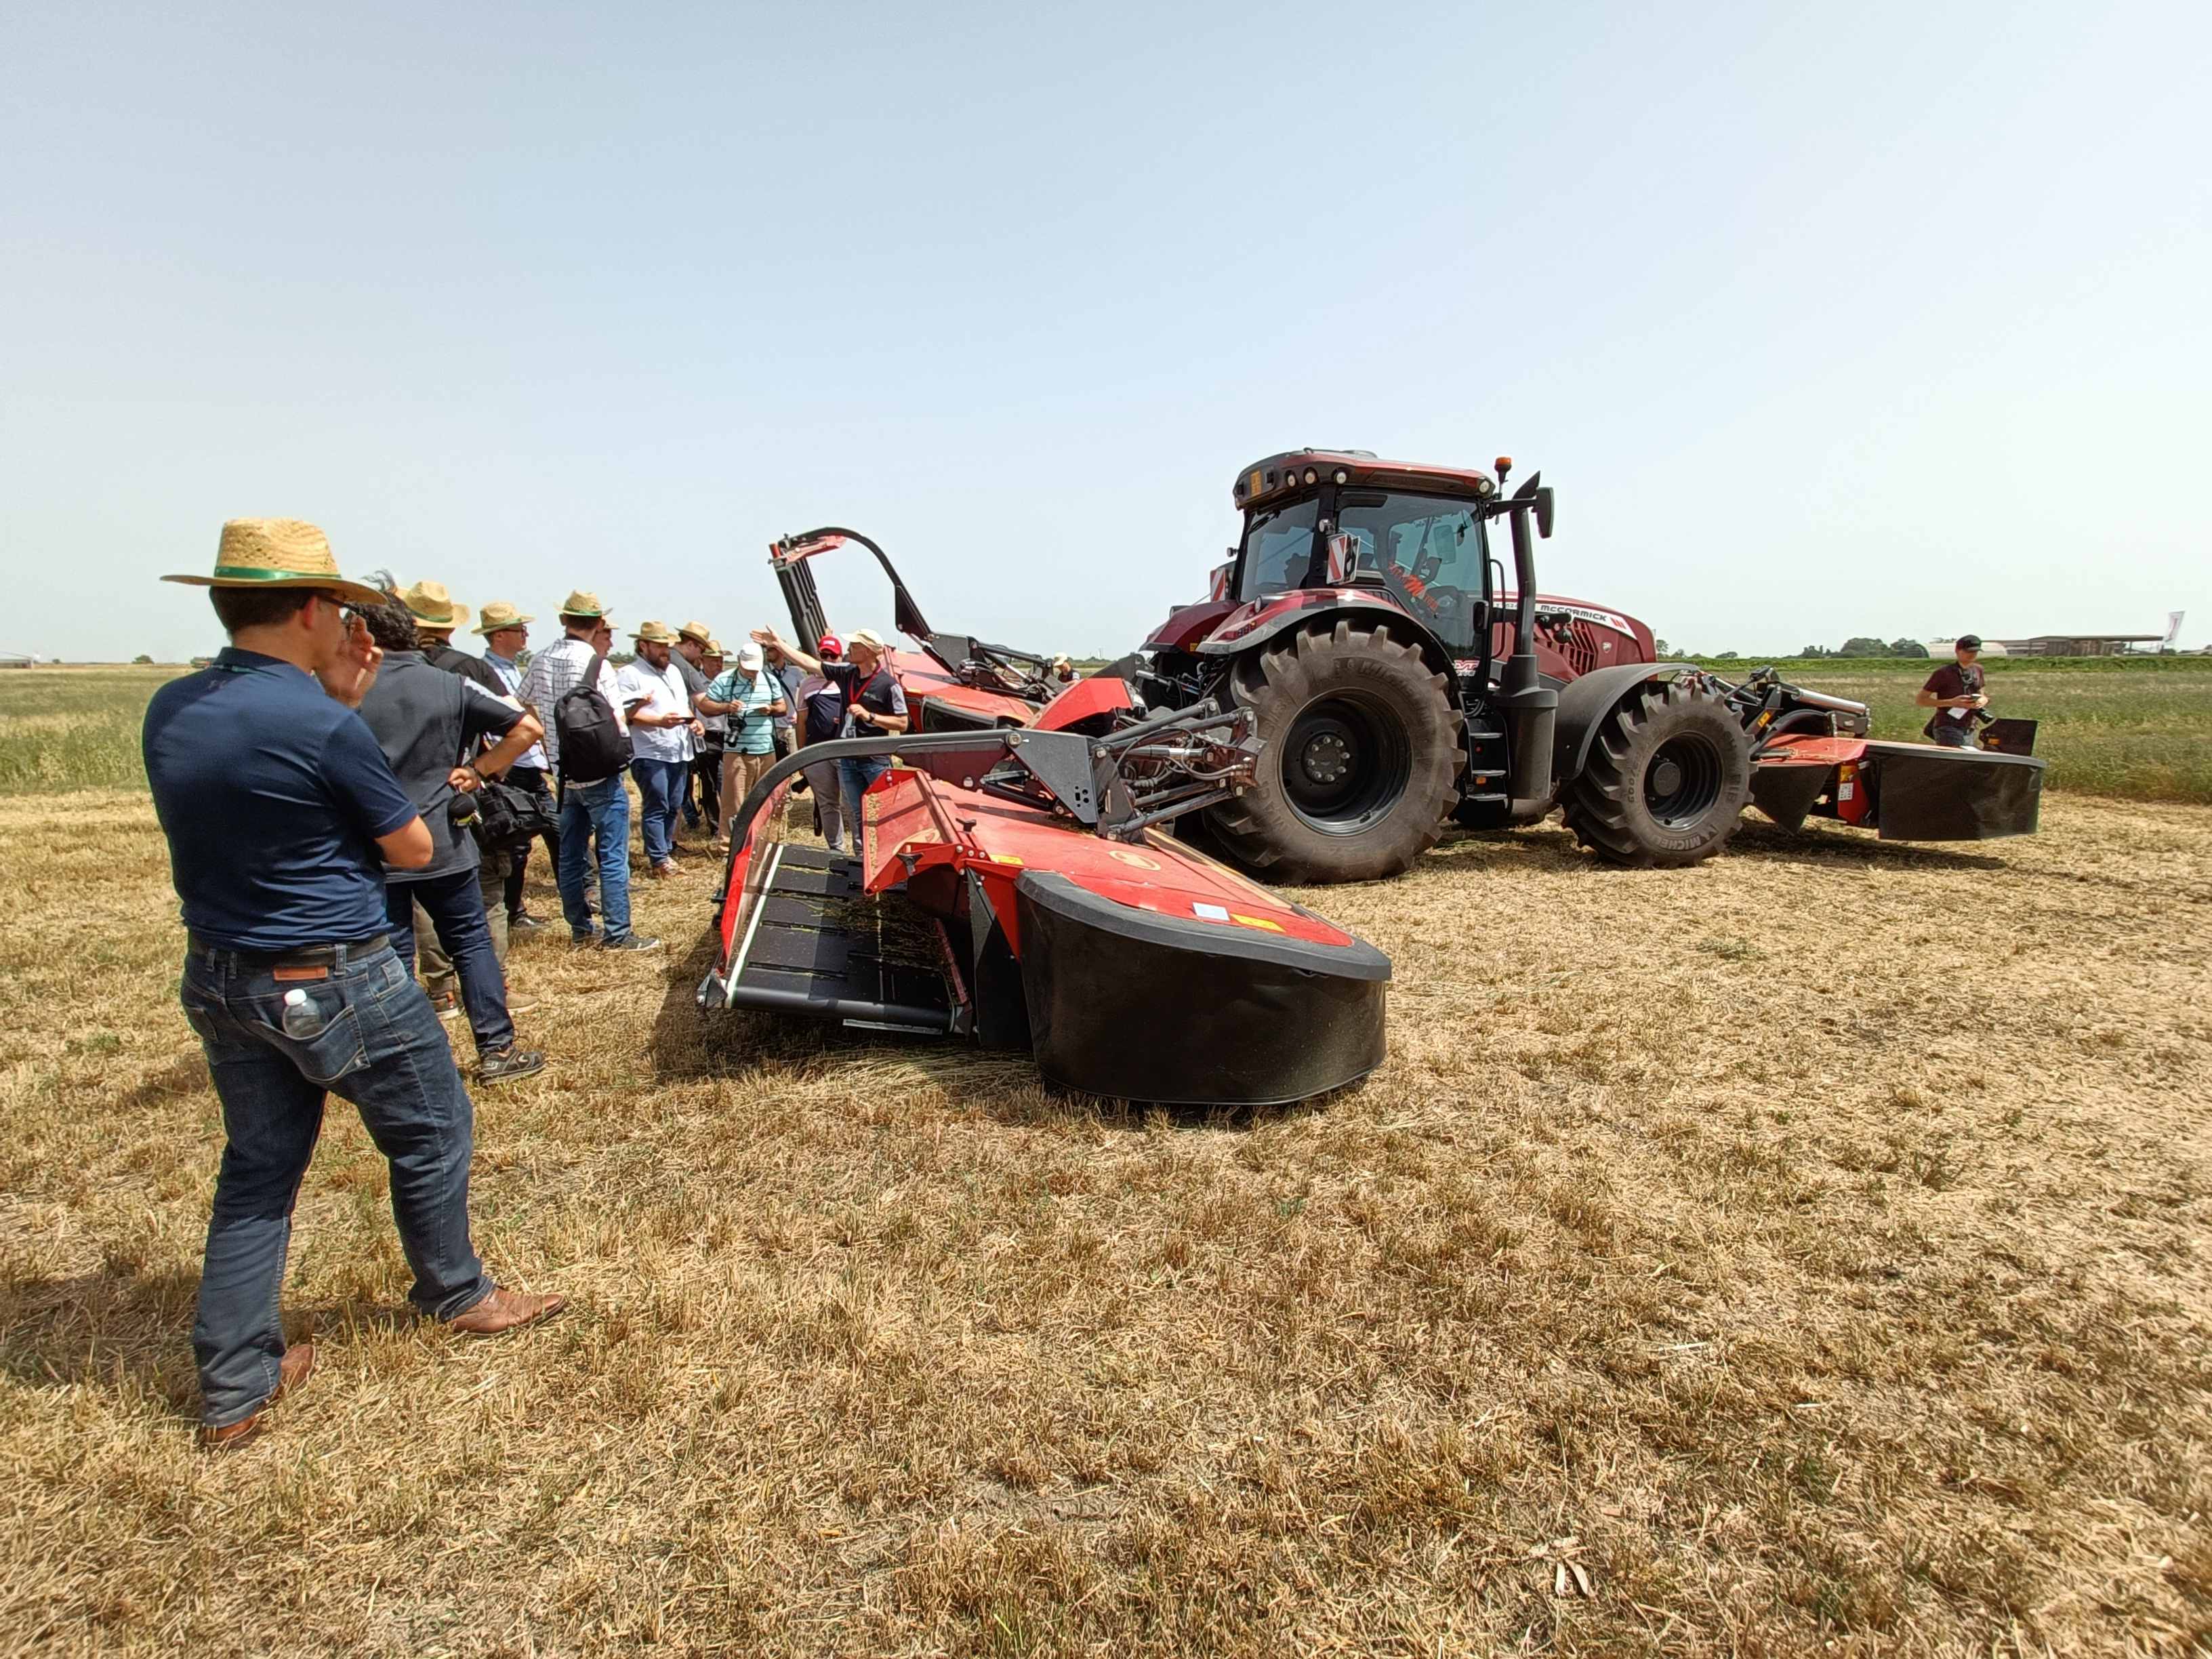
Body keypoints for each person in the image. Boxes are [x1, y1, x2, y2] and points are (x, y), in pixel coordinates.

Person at [145, 519, 567, 1451]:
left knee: (257, 1172)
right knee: (433, 1126)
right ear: (309, 610)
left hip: (219, 972)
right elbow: (412, 847)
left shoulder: (170, 707)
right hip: (333, 971)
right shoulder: (319, 720)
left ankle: (234, 1384)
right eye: (338, 607)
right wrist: (341, 701)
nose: (350, 624)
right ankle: (458, 1292)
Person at [354, 591, 546, 1084]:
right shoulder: (448, 684)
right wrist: (480, 770)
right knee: (470, 942)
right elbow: (527, 728)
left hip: (373, 843)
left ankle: (398, 1062)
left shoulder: (344, 690)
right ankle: (497, 1049)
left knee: (392, 953)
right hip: (443, 836)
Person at [516, 592, 659, 952]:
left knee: (570, 855)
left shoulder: (540, 659)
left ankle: (580, 928)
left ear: (564, 621)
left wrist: (550, 739)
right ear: (597, 624)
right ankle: (618, 932)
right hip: (599, 771)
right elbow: (617, 720)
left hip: (564, 774)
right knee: (611, 855)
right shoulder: (597, 663)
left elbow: (523, 701)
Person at [751, 625, 907, 851]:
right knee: (856, 811)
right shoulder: (846, 674)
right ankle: (860, 858)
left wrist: (870, 716)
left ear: (869, 652)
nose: (849, 649)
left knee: (881, 812)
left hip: (875, 760)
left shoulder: (888, 685)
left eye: (855, 646)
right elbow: (811, 664)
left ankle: (885, 855)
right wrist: (779, 644)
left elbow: (902, 723)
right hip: (848, 759)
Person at [475, 600, 556, 930]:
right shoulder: (485, 672)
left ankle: (579, 895)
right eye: (517, 629)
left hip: (527, 763)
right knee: (516, 843)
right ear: (498, 636)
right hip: (508, 768)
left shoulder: (513, 669)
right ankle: (514, 911)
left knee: (555, 829)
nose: (525, 634)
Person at [619, 621, 700, 880]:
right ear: (643, 646)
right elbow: (625, 714)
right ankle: (659, 859)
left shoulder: (674, 671)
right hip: (650, 750)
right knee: (657, 804)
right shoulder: (629, 674)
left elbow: (682, 705)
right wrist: (659, 722)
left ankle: (663, 852)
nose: (666, 651)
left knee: (674, 804)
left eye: (667, 646)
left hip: (678, 748)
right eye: (660, 646)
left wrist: (693, 721)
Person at [697, 640, 787, 848]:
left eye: (755, 669)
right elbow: (706, 707)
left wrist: (771, 709)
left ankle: (761, 842)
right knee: (734, 801)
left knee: (765, 798)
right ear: (739, 662)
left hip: (766, 749)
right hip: (737, 750)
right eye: (748, 669)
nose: (752, 673)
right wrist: (727, 707)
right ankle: (729, 846)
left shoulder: (769, 680)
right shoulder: (724, 680)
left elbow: (782, 707)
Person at [792, 634, 848, 851]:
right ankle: (836, 849)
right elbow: (801, 723)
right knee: (827, 803)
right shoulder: (806, 685)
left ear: (840, 657)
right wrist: (802, 757)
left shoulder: (848, 680)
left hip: (845, 751)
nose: (828, 660)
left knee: (853, 805)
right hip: (817, 752)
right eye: (824, 655)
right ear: (818, 656)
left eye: (833, 656)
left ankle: (862, 853)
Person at [671, 621, 716, 834]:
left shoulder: (667, 659)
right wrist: (728, 707)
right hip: (675, 739)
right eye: (702, 650)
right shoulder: (684, 667)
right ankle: (667, 845)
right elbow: (704, 704)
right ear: (692, 644)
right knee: (677, 791)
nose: (701, 656)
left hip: (671, 736)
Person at [1918, 634, 1991, 749]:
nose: (1972, 655)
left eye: (1975, 652)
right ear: (1957, 651)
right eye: (1968, 651)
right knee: (1956, 763)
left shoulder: (1978, 670)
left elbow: (1982, 694)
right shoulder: (1943, 673)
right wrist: (1952, 703)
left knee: (1965, 762)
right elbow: (1921, 700)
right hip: (1948, 726)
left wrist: (1983, 700)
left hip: (1969, 727)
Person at [692, 640, 728, 840]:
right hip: (706, 737)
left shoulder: (728, 681)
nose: (718, 665)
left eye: (721, 660)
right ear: (702, 660)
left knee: (727, 783)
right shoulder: (695, 682)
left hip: (728, 736)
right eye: (714, 660)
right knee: (709, 784)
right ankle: (715, 827)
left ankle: (729, 826)